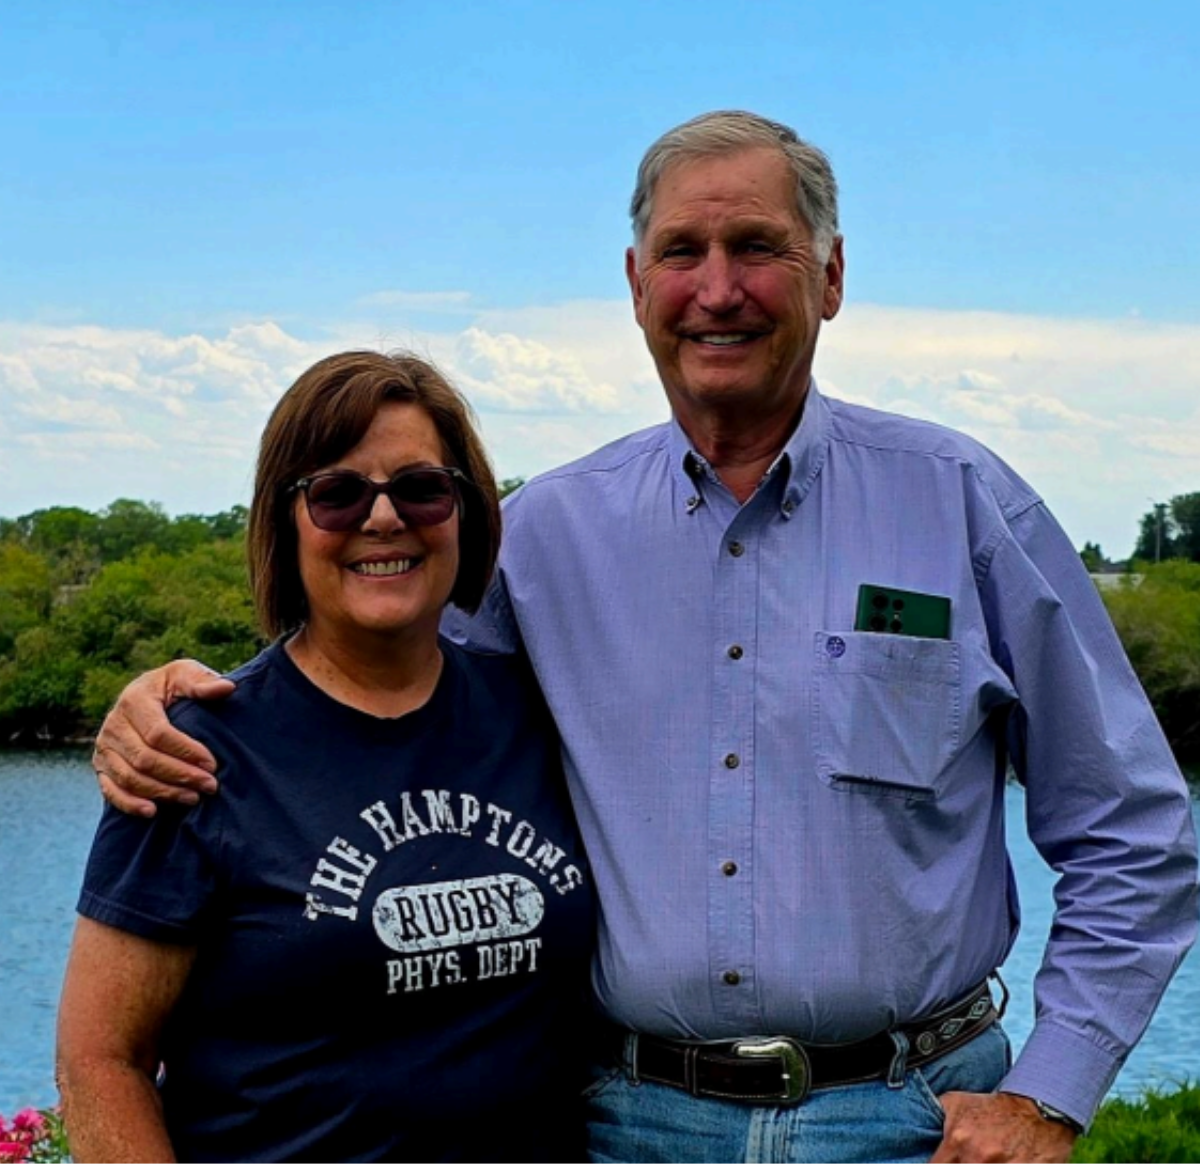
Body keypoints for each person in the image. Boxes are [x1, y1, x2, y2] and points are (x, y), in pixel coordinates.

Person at [92, 112, 1198, 1164]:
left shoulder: (963, 505)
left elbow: (1135, 830)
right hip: (623, 1127)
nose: (718, 289)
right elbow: (370, 680)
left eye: (757, 246)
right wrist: (171, 710)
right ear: (635, 287)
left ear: (832, 276)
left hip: (916, 1120)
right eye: (682, 251)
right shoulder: (540, 538)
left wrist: (1051, 1092)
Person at [58, 351, 595, 1163]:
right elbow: (101, 1060)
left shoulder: (542, 709)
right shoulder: (195, 753)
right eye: (337, 494)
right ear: (285, 521)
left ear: (467, 511)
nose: (384, 520)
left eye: (420, 487)